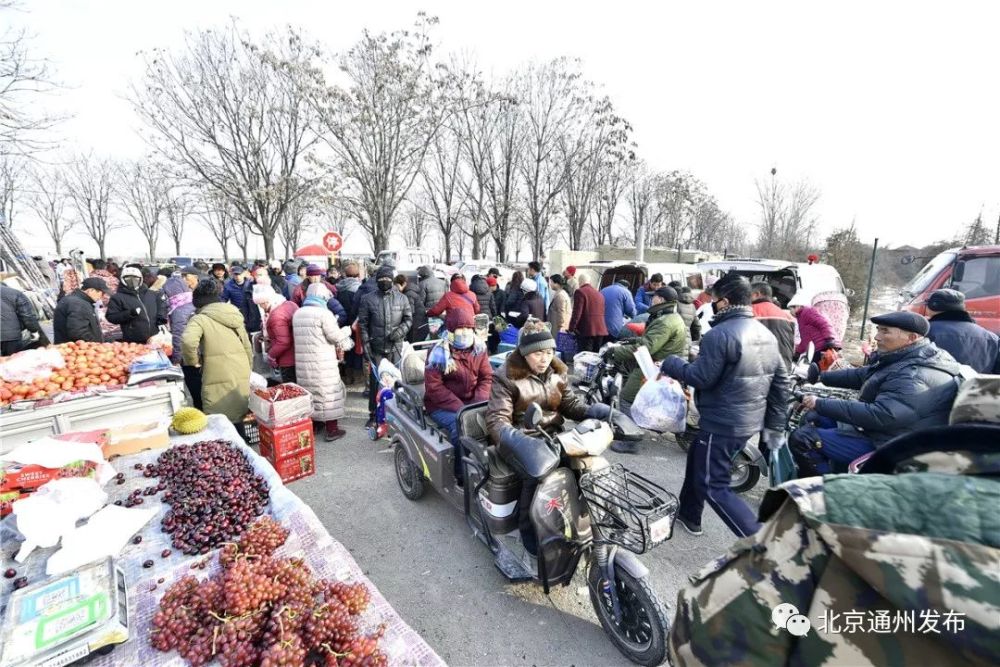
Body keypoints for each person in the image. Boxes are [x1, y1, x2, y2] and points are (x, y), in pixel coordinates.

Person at [668, 375, 1000, 667]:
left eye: (887, 329)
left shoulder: (827, 505)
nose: (881, 334)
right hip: (751, 420)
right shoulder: (925, 366)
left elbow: (707, 639)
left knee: (730, 477)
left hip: (736, 424)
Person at [659, 273, 790, 538]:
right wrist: (774, 426)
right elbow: (781, 383)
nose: (712, 303)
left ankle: (759, 542)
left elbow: (701, 378)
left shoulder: (719, 335)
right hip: (745, 421)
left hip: (723, 423)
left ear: (725, 302)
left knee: (713, 483)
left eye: (714, 299)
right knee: (698, 460)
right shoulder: (765, 334)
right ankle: (689, 516)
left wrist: (672, 364)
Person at [486, 321, 632, 554]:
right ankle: (530, 537)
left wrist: (598, 411)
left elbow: (571, 404)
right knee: (535, 480)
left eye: (548, 352)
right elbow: (497, 421)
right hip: (521, 439)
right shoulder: (506, 377)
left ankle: (598, 519)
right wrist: (524, 443)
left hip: (552, 438)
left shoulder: (557, 372)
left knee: (587, 467)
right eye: (537, 353)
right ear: (524, 353)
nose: (544, 359)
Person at [790, 310, 965, 477]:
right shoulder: (905, 357)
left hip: (895, 445)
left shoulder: (913, 374)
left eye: (885, 332)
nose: (877, 337)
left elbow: (882, 415)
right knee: (816, 416)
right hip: (888, 432)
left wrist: (819, 402)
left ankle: (824, 495)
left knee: (803, 439)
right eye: (878, 330)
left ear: (911, 337)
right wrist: (819, 376)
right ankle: (835, 469)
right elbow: (863, 375)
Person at [610, 286, 688, 452]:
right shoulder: (670, 317)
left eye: (654, 297)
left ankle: (632, 441)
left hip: (651, 366)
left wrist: (616, 352)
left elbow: (647, 347)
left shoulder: (664, 322)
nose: (651, 300)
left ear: (660, 300)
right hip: (662, 364)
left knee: (626, 398)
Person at [424, 308, 494, 481]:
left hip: (473, 401)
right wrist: (462, 409)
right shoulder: (438, 353)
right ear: (451, 330)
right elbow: (434, 388)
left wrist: (478, 402)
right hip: (442, 405)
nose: (466, 333)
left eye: (469, 328)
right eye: (460, 329)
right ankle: (459, 472)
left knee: (496, 418)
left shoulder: (479, 349)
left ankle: (492, 463)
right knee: (461, 428)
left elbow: (487, 377)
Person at [181, 279, 252, 424]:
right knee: (240, 407)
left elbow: (188, 341)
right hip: (240, 366)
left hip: (216, 371)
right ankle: (242, 438)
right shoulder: (234, 314)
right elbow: (247, 345)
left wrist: (192, 362)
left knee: (217, 411)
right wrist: (249, 367)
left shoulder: (198, 319)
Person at [293, 284, 353, 441]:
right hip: (322, 361)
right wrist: (347, 330)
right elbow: (335, 336)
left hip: (303, 362)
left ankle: (314, 427)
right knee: (327, 392)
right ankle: (332, 429)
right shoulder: (323, 314)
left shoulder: (298, 313)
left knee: (310, 392)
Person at [358, 266, 412, 426]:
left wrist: (399, 332)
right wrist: (366, 344)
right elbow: (363, 324)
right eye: (381, 279)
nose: (384, 282)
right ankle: (374, 415)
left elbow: (408, 319)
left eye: (387, 279)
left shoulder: (402, 298)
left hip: (395, 346)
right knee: (376, 383)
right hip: (376, 347)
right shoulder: (367, 299)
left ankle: (398, 413)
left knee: (396, 380)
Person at [925, 288, 999, 373]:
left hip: (933, 385)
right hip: (977, 385)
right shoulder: (992, 338)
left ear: (932, 306)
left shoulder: (924, 333)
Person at [105, 266, 168, 344]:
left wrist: (161, 317)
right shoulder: (118, 297)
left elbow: (161, 306)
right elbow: (111, 317)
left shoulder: (151, 294)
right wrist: (129, 313)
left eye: (135, 278)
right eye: (128, 279)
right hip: (134, 340)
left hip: (154, 338)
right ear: (122, 279)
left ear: (141, 279)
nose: (132, 281)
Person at [161, 275, 198, 403]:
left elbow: (179, 336)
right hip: (200, 351)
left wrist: (176, 359)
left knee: (194, 385)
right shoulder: (193, 301)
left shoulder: (178, 309)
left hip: (190, 356)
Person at [256, 285, 298, 384]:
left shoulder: (276, 315)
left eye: (260, 304)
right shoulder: (290, 304)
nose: (260, 307)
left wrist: (271, 355)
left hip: (287, 359)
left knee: (291, 390)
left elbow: (283, 342)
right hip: (297, 355)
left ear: (265, 302)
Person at [750, 281, 796, 370]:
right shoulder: (787, 316)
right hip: (784, 369)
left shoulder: (749, 312)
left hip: (759, 371)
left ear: (756, 294)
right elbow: (791, 346)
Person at [787, 291, 839, 364]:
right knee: (815, 370)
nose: (790, 312)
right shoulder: (801, 317)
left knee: (816, 371)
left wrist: (829, 339)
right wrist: (798, 353)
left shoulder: (807, 311)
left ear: (797, 306)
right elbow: (805, 339)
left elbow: (823, 323)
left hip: (822, 347)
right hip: (815, 349)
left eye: (790, 309)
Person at [53, 277, 108, 344]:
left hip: (73, 347)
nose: (102, 296)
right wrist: (95, 344)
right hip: (77, 350)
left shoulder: (77, 300)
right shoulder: (78, 304)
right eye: (102, 293)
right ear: (91, 290)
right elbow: (78, 332)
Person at [1, 282, 47, 356]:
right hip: (11, 337)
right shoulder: (15, 293)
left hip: (10, 335)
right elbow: (27, 315)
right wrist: (34, 330)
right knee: (13, 362)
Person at [568, 273, 608, 354]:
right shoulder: (599, 293)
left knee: (585, 357)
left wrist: (571, 328)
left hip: (587, 330)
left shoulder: (580, 292)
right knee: (596, 356)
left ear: (580, 282)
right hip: (600, 329)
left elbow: (577, 312)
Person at [395, 274, 427, 343]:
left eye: (396, 285)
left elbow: (410, 312)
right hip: (420, 323)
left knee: (414, 346)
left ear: (403, 284)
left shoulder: (408, 294)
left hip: (416, 325)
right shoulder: (410, 291)